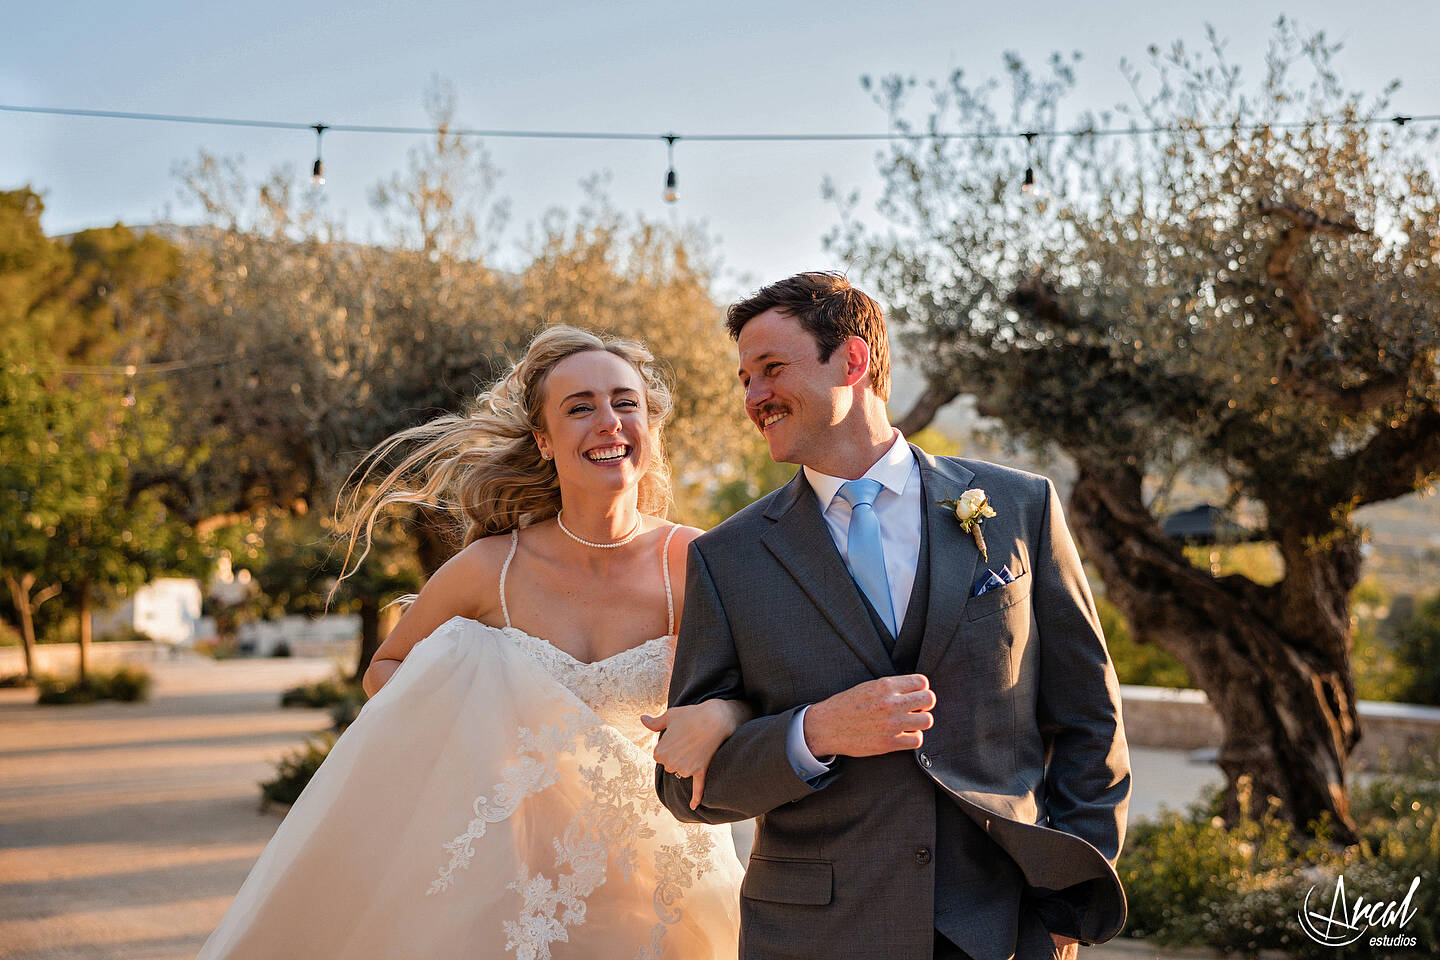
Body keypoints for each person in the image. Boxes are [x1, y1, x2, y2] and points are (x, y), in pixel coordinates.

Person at [197, 326, 746, 960]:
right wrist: (480, 709)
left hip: (665, 875)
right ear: (542, 440)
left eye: (626, 402)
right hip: (518, 880)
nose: (609, 422)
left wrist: (722, 715)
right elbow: (386, 669)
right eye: (580, 407)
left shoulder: (701, 562)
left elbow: (757, 687)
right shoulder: (492, 570)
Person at [656, 272, 1131, 960]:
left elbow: (1091, 718)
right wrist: (813, 733)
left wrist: (1068, 903)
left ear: (852, 361)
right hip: (815, 936)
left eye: (772, 369)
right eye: (745, 379)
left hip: (1000, 929)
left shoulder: (1019, 508)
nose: (754, 397)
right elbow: (683, 787)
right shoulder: (728, 559)